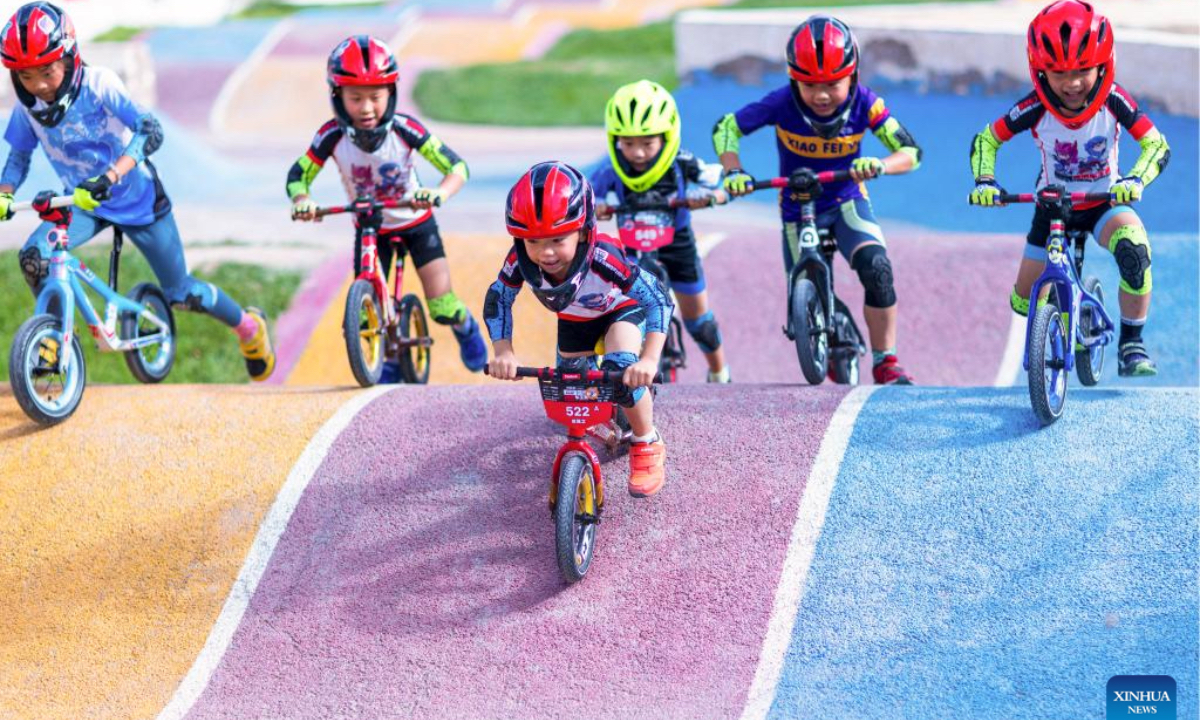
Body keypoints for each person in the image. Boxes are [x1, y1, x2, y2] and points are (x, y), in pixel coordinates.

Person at [0, 1, 275, 380]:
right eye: (26, 76)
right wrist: (5, 192)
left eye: (47, 71)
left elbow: (151, 132)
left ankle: (248, 327)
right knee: (35, 255)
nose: (39, 86)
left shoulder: (99, 86)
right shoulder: (28, 109)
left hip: (139, 200)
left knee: (182, 293)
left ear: (69, 57)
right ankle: (55, 335)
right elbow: (18, 157)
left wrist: (110, 177)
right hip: (84, 204)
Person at [712, 15, 922, 385]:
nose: (821, 95)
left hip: (846, 200)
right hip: (797, 206)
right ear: (793, 78)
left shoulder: (867, 104)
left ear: (853, 76)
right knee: (800, 285)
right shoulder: (780, 102)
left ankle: (886, 360)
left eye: (832, 84)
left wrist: (880, 165)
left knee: (877, 269)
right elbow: (726, 128)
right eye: (809, 85)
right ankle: (825, 323)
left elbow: (911, 151)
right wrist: (733, 171)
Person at [968, 0, 1169, 377]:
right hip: (1051, 206)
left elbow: (1157, 145)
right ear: (1039, 70)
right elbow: (986, 141)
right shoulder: (1033, 107)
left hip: (1103, 201)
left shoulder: (1114, 100)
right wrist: (985, 182)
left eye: (1082, 70)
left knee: (1134, 249)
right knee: (1022, 301)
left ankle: (1131, 344)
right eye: (1057, 73)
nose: (1072, 84)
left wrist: (1135, 180)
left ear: (1102, 65)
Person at [288, 35, 487, 375]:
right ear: (338, 97)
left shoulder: (405, 129)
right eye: (355, 98)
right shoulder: (330, 136)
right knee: (367, 305)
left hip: (416, 221)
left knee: (441, 304)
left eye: (376, 98)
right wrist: (302, 200)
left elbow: (457, 167)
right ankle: (385, 355)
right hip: (370, 227)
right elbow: (298, 174)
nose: (366, 109)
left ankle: (465, 326)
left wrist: (439, 193)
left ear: (391, 94)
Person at [485, 162, 674, 497]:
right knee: (572, 385)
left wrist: (648, 359)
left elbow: (658, 300)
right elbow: (499, 297)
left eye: (558, 239)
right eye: (533, 241)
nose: (545, 253)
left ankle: (647, 442)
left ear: (584, 232)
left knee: (619, 375)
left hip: (620, 311)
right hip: (575, 320)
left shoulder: (605, 257)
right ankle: (607, 416)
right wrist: (503, 351)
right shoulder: (518, 261)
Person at [591, 79, 732, 383]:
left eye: (647, 143)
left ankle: (719, 371)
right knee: (624, 312)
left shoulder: (682, 163)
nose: (638, 153)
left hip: (677, 247)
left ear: (666, 137)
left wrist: (711, 196)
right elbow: (585, 196)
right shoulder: (611, 170)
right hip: (632, 254)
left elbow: (720, 184)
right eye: (628, 144)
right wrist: (597, 206)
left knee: (698, 320)